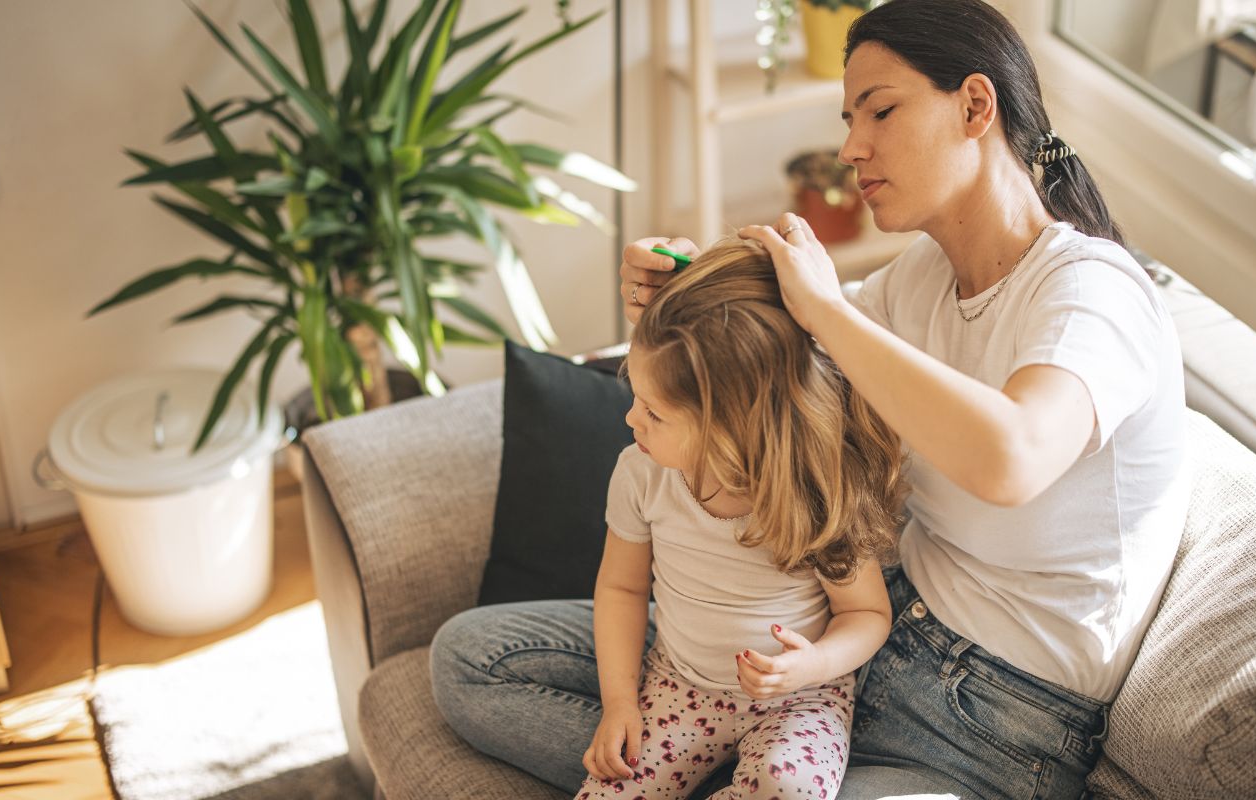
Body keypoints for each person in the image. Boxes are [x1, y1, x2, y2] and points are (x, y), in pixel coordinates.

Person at [433, 0, 1189, 797]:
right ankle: (700, 759)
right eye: (847, 117)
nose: (850, 147)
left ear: (974, 105)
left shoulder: (1092, 291)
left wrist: (826, 310)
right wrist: (681, 292)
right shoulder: (919, 280)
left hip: (980, 721)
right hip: (828, 639)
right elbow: (760, 355)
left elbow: (1011, 458)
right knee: (471, 660)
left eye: (881, 111)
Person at [574, 240, 906, 800]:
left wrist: (813, 663)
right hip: (678, 683)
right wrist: (620, 704)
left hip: (799, 698)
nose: (632, 418)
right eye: (636, 396)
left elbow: (868, 613)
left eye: (655, 412)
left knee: (789, 787)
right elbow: (621, 586)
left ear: (734, 428)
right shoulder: (641, 473)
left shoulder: (814, 491)